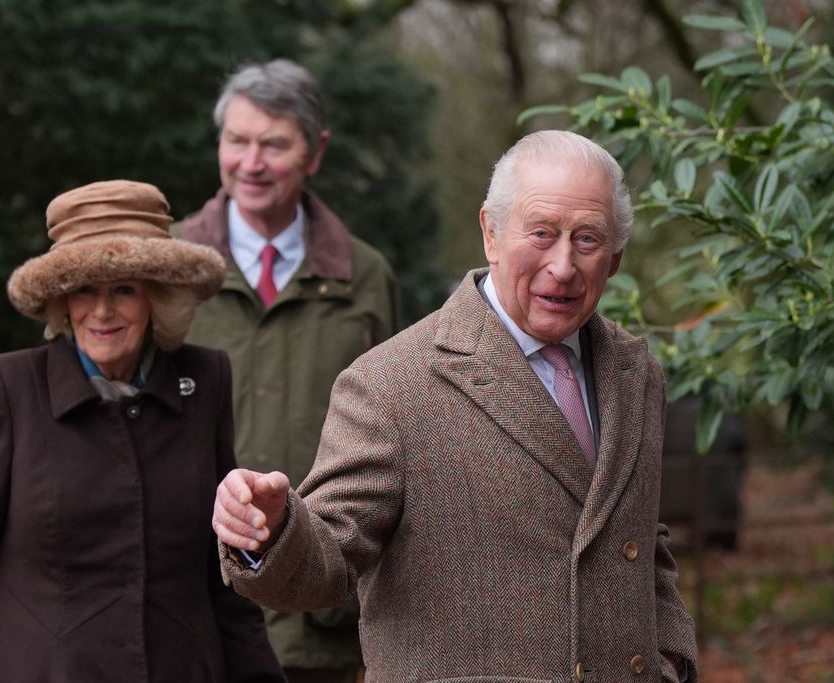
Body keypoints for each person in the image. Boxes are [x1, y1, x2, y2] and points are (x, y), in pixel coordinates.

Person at [212, 131, 700, 682]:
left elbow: (638, 539)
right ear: (491, 233)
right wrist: (273, 530)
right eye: (541, 233)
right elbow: (329, 562)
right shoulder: (391, 385)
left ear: (614, 259)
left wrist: (672, 657)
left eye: (587, 239)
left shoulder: (635, 373)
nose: (563, 266)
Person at [0, 180, 283, 683]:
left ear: (157, 296)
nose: (102, 311)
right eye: (84, 289)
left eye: (124, 290)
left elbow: (222, 565)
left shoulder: (204, 380)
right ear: (62, 300)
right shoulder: (10, 386)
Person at [177, 59, 398, 682]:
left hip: (320, 623)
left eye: (273, 145)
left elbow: (396, 442)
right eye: (236, 141)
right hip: (190, 618)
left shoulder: (366, 277)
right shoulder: (170, 269)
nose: (250, 163)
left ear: (315, 152)